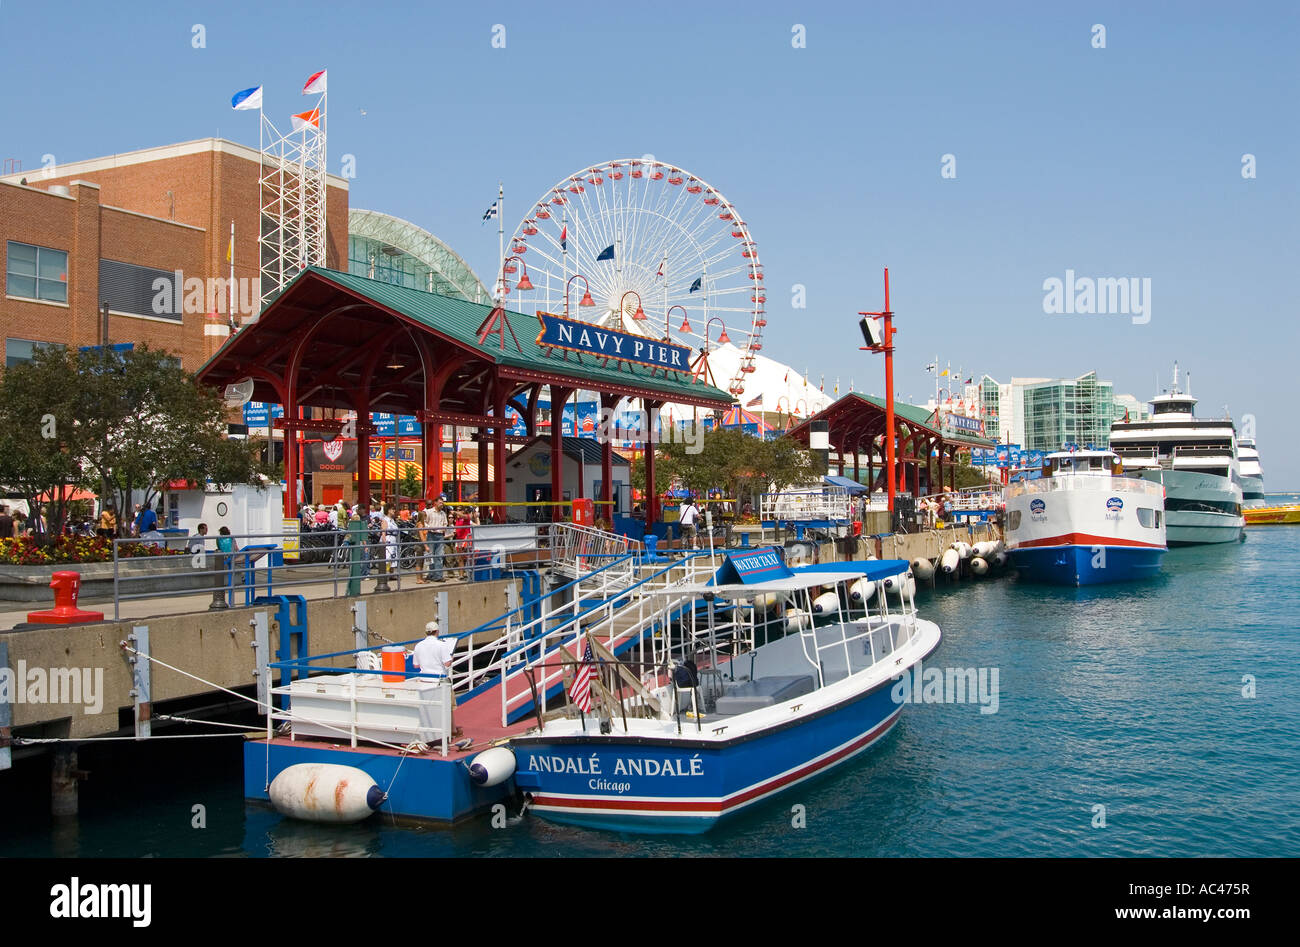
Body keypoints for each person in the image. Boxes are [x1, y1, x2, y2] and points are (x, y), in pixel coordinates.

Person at [423, 496, 448, 582]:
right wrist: (430, 527)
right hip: (431, 534)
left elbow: (445, 523)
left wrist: (444, 528)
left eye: (442, 503)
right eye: (440, 503)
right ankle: (431, 574)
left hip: (440, 535)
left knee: (439, 555)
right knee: (430, 555)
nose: (442, 504)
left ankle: (438, 575)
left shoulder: (443, 513)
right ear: (436, 503)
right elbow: (424, 522)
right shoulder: (429, 512)